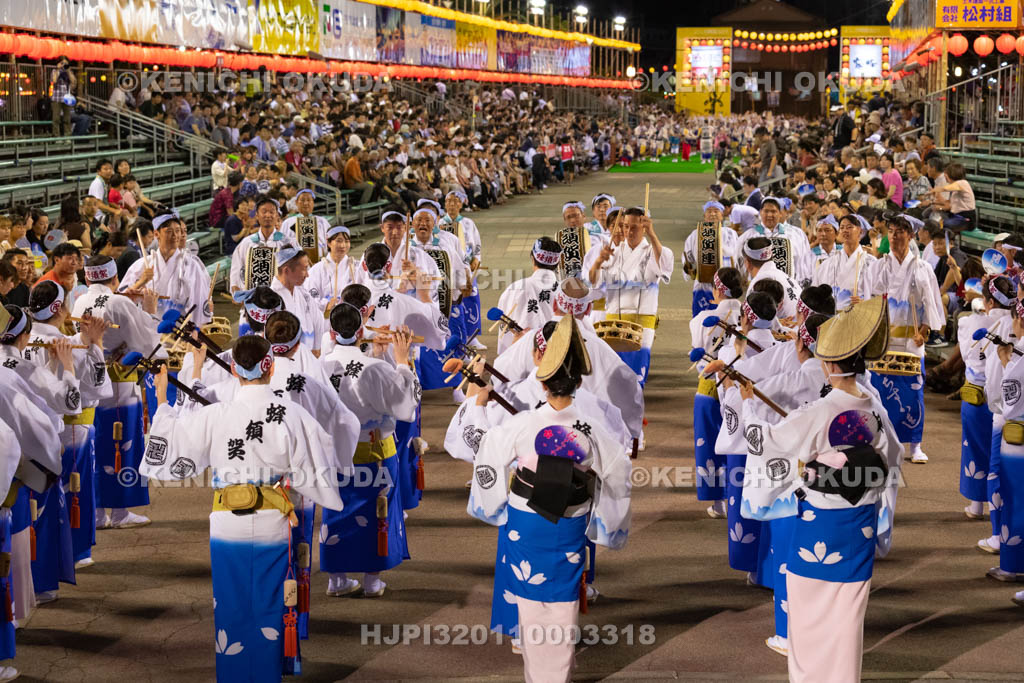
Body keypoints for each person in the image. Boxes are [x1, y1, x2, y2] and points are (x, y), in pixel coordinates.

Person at [142, 335, 344, 681]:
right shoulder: (291, 414)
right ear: (270, 365)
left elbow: (175, 445)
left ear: (233, 369)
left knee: (231, 604)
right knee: (269, 603)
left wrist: (162, 400)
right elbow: (321, 454)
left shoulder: (217, 413)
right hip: (272, 518)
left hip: (226, 521)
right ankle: (267, 673)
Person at [739, 296, 902, 682]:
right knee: (848, 617)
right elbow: (891, 462)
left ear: (828, 363)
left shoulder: (821, 411)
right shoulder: (875, 411)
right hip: (859, 524)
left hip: (818, 522)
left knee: (809, 612)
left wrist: (748, 407)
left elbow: (768, 443)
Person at [467, 314, 631, 682]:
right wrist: (603, 514)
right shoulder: (591, 427)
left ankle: (538, 674)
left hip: (525, 522)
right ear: (577, 384)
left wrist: (494, 505)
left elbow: (488, 455)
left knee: (530, 600)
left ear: (543, 383)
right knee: (563, 601)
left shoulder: (522, 423)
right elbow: (619, 473)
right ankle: (556, 673)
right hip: (570, 523)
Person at [319, 304, 420, 599]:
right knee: (377, 512)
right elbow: (404, 409)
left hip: (334, 451)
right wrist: (402, 363)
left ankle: (337, 580)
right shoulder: (376, 368)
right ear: (361, 331)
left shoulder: (320, 367)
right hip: (373, 450)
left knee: (335, 510)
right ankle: (371, 581)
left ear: (331, 333)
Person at [23, 282, 111, 599]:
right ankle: (49, 577)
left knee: (27, 512)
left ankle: (28, 584)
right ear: (59, 308)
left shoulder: (22, 339)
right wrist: (95, 344)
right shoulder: (61, 345)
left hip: (18, 438)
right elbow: (92, 389)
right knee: (55, 504)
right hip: (53, 434)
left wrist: (84, 340)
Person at [72, 254, 162, 530]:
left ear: (87, 277)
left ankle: (98, 513)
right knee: (123, 440)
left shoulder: (80, 300)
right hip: (120, 379)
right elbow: (145, 342)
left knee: (99, 441)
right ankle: (120, 512)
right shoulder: (120, 302)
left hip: (91, 375)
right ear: (114, 277)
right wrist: (149, 310)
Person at [867, 215, 944, 464]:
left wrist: (924, 332)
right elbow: (872, 302)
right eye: (891, 231)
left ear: (910, 236)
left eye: (900, 231)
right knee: (879, 391)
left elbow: (930, 304)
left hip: (912, 338)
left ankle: (915, 445)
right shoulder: (879, 266)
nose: (894, 235)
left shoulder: (923, 268)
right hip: (884, 339)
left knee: (913, 394)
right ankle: (881, 440)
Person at [590, 206, 674, 385]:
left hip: (640, 327)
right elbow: (594, 283)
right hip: (611, 325)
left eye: (634, 227)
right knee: (609, 382)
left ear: (644, 227)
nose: (628, 231)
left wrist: (652, 235)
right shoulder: (612, 252)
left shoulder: (654, 251)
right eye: (625, 226)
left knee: (634, 381)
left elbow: (664, 266)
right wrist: (598, 262)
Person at [958, 277, 1014, 527]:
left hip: (978, 396)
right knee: (1002, 460)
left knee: (976, 451)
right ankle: (1000, 513)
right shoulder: (1014, 323)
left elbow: (965, 355)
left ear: (988, 300)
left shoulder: (970, 322)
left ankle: (977, 506)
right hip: (1010, 403)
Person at [495, 237, 561, 354]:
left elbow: (504, 330)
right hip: (557, 355)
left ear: (532, 258)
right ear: (558, 263)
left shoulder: (515, 288)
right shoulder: (566, 291)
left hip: (520, 355)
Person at [682, 201, 739, 316]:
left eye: (716, 211)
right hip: (703, 284)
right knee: (702, 318)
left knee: (726, 320)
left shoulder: (730, 233)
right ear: (704, 216)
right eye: (709, 211)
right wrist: (689, 268)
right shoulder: (695, 234)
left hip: (726, 284)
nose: (712, 214)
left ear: (722, 215)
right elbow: (688, 255)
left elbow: (737, 256)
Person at [814, 213, 875, 311]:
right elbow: (816, 292)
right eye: (842, 227)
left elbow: (879, 295)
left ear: (861, 231)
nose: (845, 230)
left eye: (849, 227)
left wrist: (865, 303)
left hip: (860, 316)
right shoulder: (828, 263)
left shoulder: (871, 262)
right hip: (832, 318)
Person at [270, 247, 325, 355]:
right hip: (283, 357)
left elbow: (318, 319)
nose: (307, 274)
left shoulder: (303, 293)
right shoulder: (271, 297)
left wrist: (317, 347)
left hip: (309, 353)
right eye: (304, 269)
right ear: (286, 270)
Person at [305, 225, 355, 314]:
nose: (343, 245)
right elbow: (311, 295)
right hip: (325, 318)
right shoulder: (316, 270)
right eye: (339, 241)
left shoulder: (355, 267)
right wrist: (325, 304)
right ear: (328, 242)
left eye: (347, 241)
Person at [281, 189, 331, 260]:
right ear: (296, 202)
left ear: (313, 203)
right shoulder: (287, 223)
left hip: (320, 262)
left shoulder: (322, 222)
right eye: (302, 200)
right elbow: (281, 245)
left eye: (309, 200)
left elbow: (331, 243)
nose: (305, 203)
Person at [50, 55, 76, 137]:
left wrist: (68, 71)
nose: (64, 64)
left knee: (67, 118)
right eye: (62, 63)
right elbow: (53, 81)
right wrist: (58, 69)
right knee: (56, 119)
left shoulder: (69, 72)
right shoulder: (54, 71)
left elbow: (74, 82)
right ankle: (56, 136)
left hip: (67, 98)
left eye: (65, 63)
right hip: (56, 98)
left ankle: (67, 135)